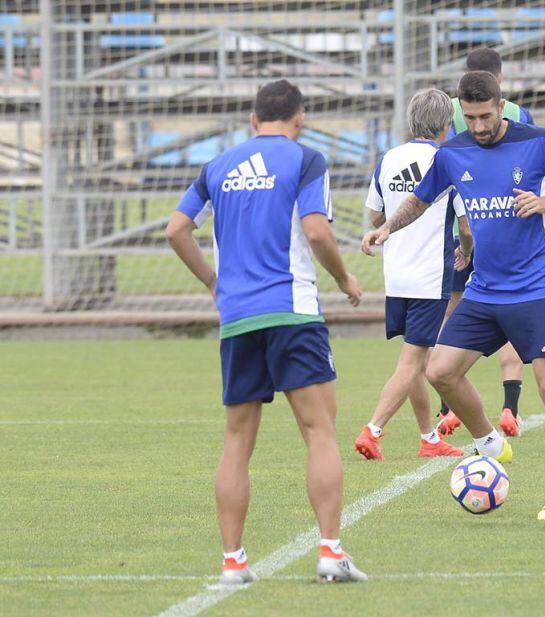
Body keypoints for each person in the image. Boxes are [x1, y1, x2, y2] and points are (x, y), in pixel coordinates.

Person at [362, 71, 545, 520]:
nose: (478, 126)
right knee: (440, 370)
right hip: (485, 287)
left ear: (500, 104)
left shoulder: (540, 142)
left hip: (538, 287)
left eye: (485, 116)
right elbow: (420, 199)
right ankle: (492, 443)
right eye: (469, 117)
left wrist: (543, 202)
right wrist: (385, 227)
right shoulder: (453, 153)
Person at [166, 79, 367, 583]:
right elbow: (317, 229)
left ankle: (233, 562)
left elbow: (175, 229)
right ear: (300, 120)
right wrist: (344, 277)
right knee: (320, 431)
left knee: (237, 441)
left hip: (237, 317)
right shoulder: (305, 160)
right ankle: (329, 552)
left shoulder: (218, 166)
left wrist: (214, 282)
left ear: (253, 122)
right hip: (293, 312)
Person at [354, 89, 472, 461]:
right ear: (446, 124)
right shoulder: (448, 160)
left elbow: (376, 216)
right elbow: (466, 227)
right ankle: (372, 430)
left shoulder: (390, 158)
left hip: (397, 275)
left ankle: (429, 438)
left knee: (416, 360)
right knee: (412, 362)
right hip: (429, 274)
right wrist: (465, 253)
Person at [438, 47, 536, 439]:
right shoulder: (515, 112)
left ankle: (448, 407)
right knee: (511, 317)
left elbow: (438, 160)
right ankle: (509, 406)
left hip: (460, 228)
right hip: (505, 233)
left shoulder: (447, 107)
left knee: (454, 311)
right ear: (499, 78)